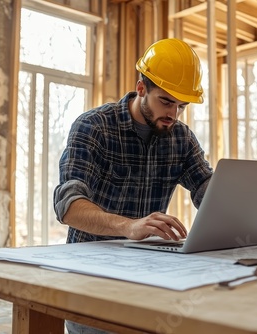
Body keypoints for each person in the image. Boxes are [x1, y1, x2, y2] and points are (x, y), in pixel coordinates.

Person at [53, 38, 213, 334]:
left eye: (181, 106)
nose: (173, 115)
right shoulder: (94, 127)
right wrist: (129, 226)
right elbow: (69, 206)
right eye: (166, 101)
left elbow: (208, 190)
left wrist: (241, 208)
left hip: (150, 278)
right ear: (142, 89)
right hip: (90, 280)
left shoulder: (181, 138)